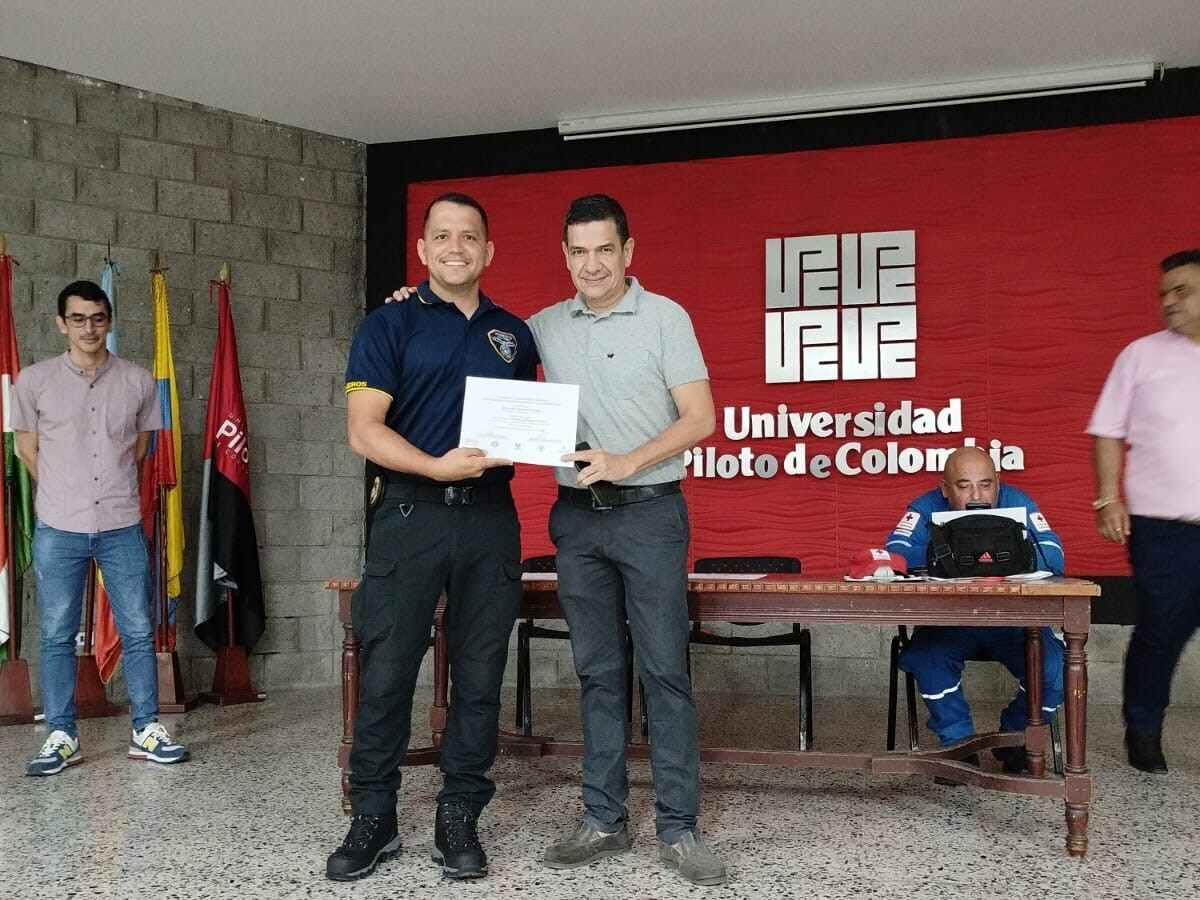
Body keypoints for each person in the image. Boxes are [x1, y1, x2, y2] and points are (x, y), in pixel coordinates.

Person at [387, 194, 723, 885]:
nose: (592, 264)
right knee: (598, 672)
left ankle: (680, 828)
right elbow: (474, 335)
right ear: (565, 256)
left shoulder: (666, 318)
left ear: (628, 253)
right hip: (577, 520)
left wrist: (630, 459)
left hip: (652, 513)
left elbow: (701, 417)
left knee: (663, 669)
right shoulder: (541, 328)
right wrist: (408, 301)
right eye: (578, 251)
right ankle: (603, 819)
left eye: (605, 249)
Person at [328, 193, 537, 882]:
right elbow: (365, 430)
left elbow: (531, 424)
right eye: (442, 236)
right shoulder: (389, 323)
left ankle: (459, 817)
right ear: (422, 250)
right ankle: (374, 816)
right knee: (387, 672)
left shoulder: (515, 333)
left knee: (479, 676)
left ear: (488, 251)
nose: (456, 247)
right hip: (411, 516)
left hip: (489, 521)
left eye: (470, 237)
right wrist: (434, 464)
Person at [12, 280, 189, 777]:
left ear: (109, 320)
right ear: (60, 324)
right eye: (78, 318)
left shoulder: (137, 381)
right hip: (59, 526)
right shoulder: (34, 381)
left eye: (97, 317)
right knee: (55, 633)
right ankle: (62, 735)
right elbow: (28, 449)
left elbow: (138, 449)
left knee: (137, 628)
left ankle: (146, 729)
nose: (88, 327)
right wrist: (64, 493)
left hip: (120, 523)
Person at [1088, 249, 1200, 775]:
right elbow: (1108, 429)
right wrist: (1109, 497)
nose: (1169, 301)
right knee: (1162, 629)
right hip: (1164, 530)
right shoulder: (1141, 355)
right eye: (1165, 293)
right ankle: (1143, 726)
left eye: (1182, 290)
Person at [884, 446, 1065, 769]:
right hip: (949, 621)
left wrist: (1003, 556)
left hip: (1014, 622)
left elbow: (1053, 556)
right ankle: (957, 746)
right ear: (945, 488)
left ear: (998, 482)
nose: (976, 494)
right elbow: (895, 553)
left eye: (985, 484)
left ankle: (1015, 737)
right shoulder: (925, 506)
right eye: (963, 485)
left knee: (1056, 668)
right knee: (927, 658)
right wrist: (948, 556)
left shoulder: (1018, 502)